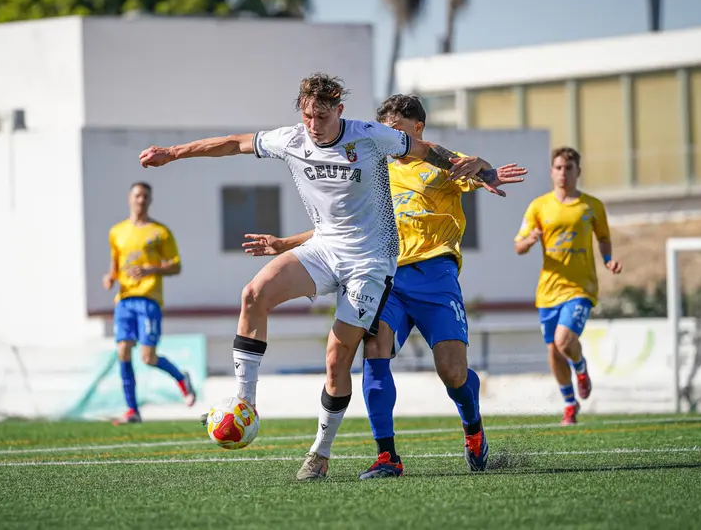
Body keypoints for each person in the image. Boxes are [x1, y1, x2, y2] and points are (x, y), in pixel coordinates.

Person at [138, 73, 500, 480]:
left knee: (337, 359)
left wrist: (477, 168)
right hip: (325, 249)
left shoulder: (368, 136)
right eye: (308, 115)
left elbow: (425, 148)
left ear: (339, 112)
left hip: (372, 262)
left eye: (322, 116)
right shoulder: (292, 139)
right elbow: (233, 144)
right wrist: (173, 152)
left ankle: (320, 452)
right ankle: (246, 402)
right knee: (254, 294)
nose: (314, 125)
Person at [242, 94, 528, 478]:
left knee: (453, 372)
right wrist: (284, 244)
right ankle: (387, 456)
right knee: (374, 351)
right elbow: (339, 228)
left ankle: (472, 425)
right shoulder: (376, 166)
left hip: (435, 278)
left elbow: (475, 168)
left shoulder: (438, 162)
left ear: (417, 129)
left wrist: (484, 169)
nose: (388, 138)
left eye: (395, 131)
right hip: (386, 275)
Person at [514, 147, 622, 426]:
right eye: (559, 168)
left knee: (564, 341)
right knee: (553, 350)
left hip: (580, 288)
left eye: (569, 168)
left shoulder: (592, 206)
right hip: (548, 290)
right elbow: (519, 246)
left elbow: (604, 238)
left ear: (578, 172)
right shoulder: (539, 206)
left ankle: (581, 367)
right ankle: (569, 404)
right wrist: (530, 240)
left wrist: (608, 259)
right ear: (552, 171)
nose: (563, 173)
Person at [104, 182, 196, 425]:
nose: (141, 200)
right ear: (129, 198)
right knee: (122, 350)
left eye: (145, 196)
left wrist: (148, 270)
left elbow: (176, 266)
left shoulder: (160, 232)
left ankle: (181, 378)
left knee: (147, 357)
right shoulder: (117, 232)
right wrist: (110, 277)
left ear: (150, 200)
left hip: (149, 299)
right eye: (137, 195)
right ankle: (132, 410)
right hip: (124, 300)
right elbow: (115, 264)